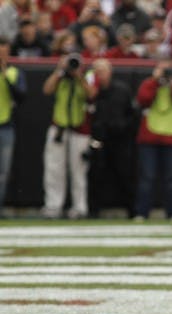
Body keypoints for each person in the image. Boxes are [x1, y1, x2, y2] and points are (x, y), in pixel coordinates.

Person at [133, 60, 172, 222]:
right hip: (149, 136)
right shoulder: (149, 84)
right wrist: (155, 81)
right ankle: (142, 213)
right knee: (147, 177)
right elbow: (142, 99)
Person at [41, 51, 96, 219]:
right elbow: (47, 89)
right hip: (59, 127)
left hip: (79, 128)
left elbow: (92, 94)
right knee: (54, 168)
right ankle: (53, 206)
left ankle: (79, 207)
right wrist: (59, 70)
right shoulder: (60, 77)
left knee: (78, 170)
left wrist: (79, 76)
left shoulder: (86, 77)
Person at [86, 58, 137, 218]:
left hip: (120, 139)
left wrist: (124, 127)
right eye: (97, 71)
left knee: (124, 174)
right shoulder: (91, 91)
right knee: (96, 175)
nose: (100, 75)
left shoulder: (122, 90)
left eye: (102, 71)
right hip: (98, 139)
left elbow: (132, 114)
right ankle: (93, 211)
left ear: (110, 72)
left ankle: (132, 210)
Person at [0, 35, 25, 218]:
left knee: (3, 172)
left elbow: (21, 96)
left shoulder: (14, 73)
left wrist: (5, 75)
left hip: (6, 125)